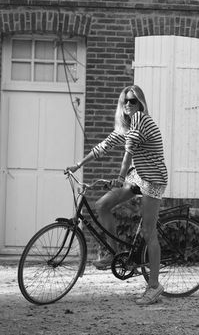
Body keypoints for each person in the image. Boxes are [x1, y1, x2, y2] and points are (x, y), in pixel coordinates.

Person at [66, 85, 168, 305]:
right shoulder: (127, 125)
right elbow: (104, 146)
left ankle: (154, 287)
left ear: (141, 103)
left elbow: (128, 152)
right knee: (102, 205)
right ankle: (112, 253)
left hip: (153, 178)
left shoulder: (141, 118)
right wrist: (77, 165)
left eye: (133, 101)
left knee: (149, 232)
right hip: (138, 176)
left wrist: (120, 178)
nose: (129, 105)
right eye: (125, 102)